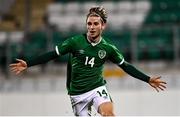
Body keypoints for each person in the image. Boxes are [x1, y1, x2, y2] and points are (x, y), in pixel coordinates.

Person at [10, 6, 167, 116]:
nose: (91, 27)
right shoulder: (75, 42)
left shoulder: (108, 48)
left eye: (95, 24)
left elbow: (125, 66)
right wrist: (28, 64)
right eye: (89, 24)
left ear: (103, 26)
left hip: (97, 88)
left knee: (109, 114)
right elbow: (52, 54)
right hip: (77, 94)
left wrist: (147, 79)